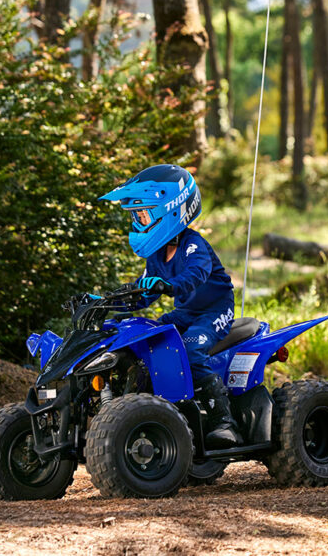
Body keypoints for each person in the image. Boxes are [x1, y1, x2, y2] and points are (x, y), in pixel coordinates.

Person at [99, 164, 242, 448]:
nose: (139, 221)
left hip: (214, 310)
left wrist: (168, 285)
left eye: (143, 214)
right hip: (185, 312)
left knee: (190, 348)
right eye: (136, 216)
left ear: (171, 210)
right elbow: (143, 293)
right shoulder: (156, 254)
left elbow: (196, 275)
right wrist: (106, 304)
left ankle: (224, 422)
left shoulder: (193, 245)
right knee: (145, 339)